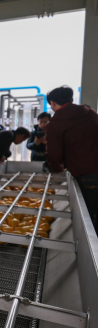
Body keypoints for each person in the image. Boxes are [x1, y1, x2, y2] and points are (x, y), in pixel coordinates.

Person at [45, 86, 98, 227]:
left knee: (88, 216)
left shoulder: (55, 124)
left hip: (86, 175)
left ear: (53, 103)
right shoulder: (91, 113)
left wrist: (58, 169)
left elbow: (54, 154)